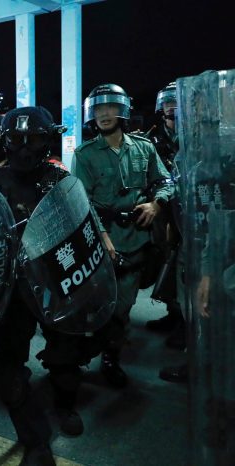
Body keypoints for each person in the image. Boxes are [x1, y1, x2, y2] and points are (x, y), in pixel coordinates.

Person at [0, 106, 98, 465]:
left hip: (57, 282)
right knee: (7, 367)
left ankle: (64, 404)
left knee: (66, 354)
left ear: (47, 139)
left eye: (32, 138)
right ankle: (35, 439)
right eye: (15, 139)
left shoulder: (60, 179)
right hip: (13, 294)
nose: (23, 147)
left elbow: (82, 224)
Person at [73, 83, 173, 388]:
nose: (104, 114)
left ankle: (110, 357)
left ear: (122, 111)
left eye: (110, 108)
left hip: (135, 241)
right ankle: (82, 351)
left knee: (122, 306)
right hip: (100, 244)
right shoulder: (85, 154)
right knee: (93, 304)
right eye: (98, 109)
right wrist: (103, 237)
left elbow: (166, 180)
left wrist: (157, 203)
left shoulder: (144, 148)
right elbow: (81, 202)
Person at [144, 82, 185, 350]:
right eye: (169, 104)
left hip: (189, 211)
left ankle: (186, 323)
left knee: (185, 269)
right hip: (162, 210)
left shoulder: (195, 136)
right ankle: (174, 315)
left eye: (178, 102)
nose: (173, 108)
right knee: (165, 264)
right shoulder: (150, 139)